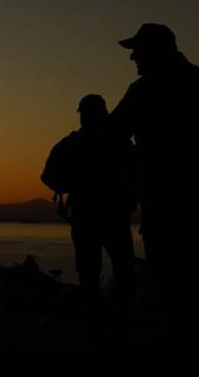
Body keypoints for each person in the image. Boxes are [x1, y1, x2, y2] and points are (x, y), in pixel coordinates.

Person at [109, 24, 199, 335]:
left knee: (168, 275)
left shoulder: (145, 89)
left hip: (162, 197)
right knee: (197, 276)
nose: (133, 57)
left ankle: (176, 345)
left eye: (138, 51)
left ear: (154, 51)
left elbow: (112, 135)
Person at [41, 94, 136, 329]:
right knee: (117, 269)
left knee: (92, 271)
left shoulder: (73, 144)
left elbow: (48, 176)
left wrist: (69, 185)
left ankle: (98, 319)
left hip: (90, 216)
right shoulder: (120, 143)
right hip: (109, 216)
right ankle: (116, 318)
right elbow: (139, 174)